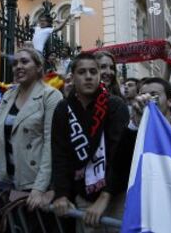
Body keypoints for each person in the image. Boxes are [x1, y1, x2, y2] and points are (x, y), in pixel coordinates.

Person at [0, 48, 63, 232]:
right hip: (7, 184)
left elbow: (51, 144)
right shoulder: (8, 95)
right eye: (15, 63)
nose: (18, 66)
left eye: (25, 62)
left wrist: (39, 187)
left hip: (34, 185)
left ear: (38, 66)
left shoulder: (51, 96)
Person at [51, 52, 129, 232]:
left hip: (115, 196)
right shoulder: (63, 108)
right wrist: (61, 194)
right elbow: (59, 153)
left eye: (93, 72)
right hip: (83, 196)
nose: (88, 77)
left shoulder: (115, 105)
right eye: (82, 72)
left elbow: (120, 155)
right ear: (72, 76)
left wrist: (105, 196)